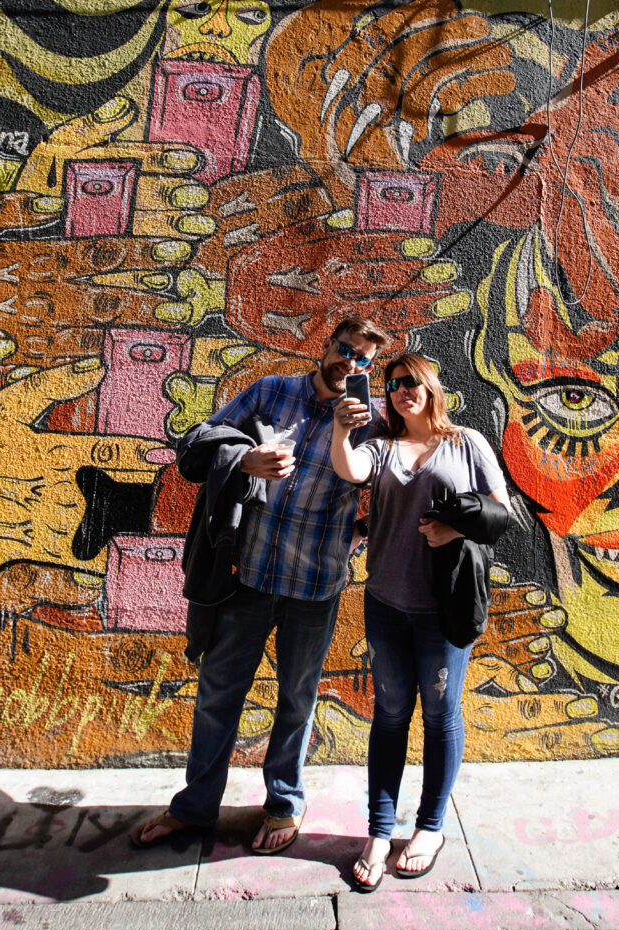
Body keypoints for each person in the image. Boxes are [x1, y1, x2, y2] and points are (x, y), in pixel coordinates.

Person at [132, 316, 391, 853]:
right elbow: (196, 442)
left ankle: (283, 806)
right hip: (248, 578)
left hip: (316, 585)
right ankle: (196, 807)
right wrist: (244, 458)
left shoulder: (373, 422)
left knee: (297, 700)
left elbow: (399, 484)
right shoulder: (270, 391)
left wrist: (359, 533)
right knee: (218, 696)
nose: (351, 363)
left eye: (365, 359)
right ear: (325, 344)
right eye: (346, 349)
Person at [330, 352, 510, 890]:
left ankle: (429, 828)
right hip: (385, 601)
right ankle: (380, 832)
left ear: (431, 387)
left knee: (440, 712)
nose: (402, 390)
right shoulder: (382, 448)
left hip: (442, 606)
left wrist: (454, 531)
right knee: (388, 716)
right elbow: (351, 469)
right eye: (393, 385)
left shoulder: (466, 443)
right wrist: (342, 432)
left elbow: (502, 511)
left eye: (412, 382)